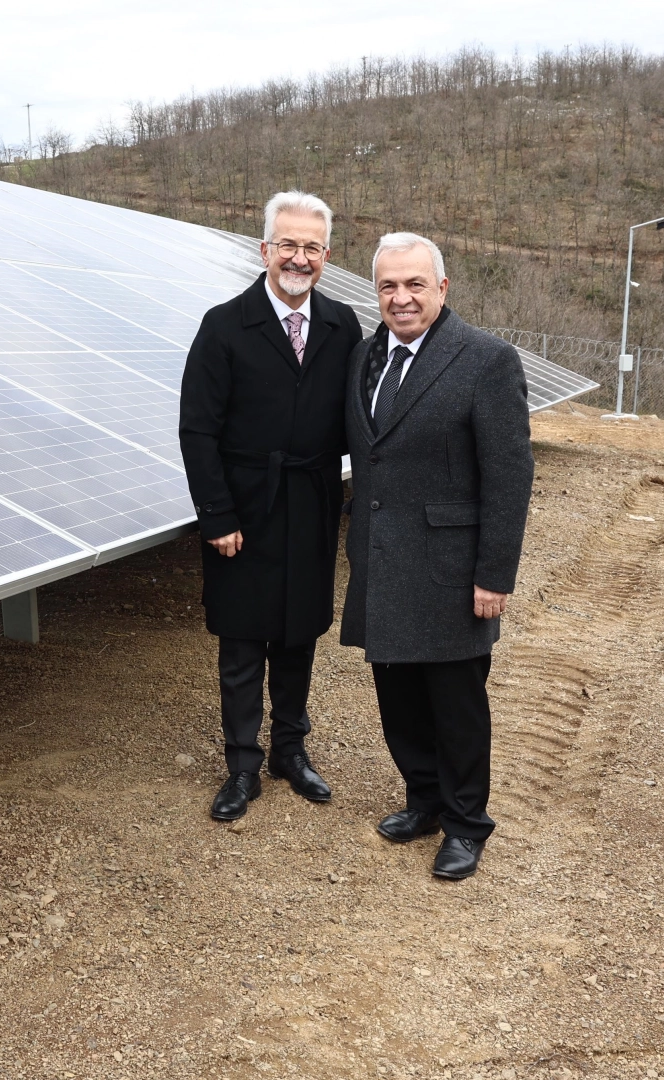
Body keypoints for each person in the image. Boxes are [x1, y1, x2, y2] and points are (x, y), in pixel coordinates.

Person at [340, 232, 534, 879]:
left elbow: (508, 476)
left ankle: (465, 822)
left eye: (414, 284)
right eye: (389, 286)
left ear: (442, 288)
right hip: (382, 564)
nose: (401, 297)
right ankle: (422, 800)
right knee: (397, 699)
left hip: (451, 573)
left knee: (455, 706)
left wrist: (492, 574)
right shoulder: (366, 358)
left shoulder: (486, 360)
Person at [179, 191, 363, 821]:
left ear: (327, 256)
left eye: (312, 247)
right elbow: (197, 430)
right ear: (264, 249)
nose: (299, 257)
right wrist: (217, 515)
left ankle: (290, 751)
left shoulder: (343, 327)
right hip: (245, 510)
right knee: (241, 641)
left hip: (311, 505)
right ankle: (241, 766)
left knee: (297, 635)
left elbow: (354, 423)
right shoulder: (223, 325)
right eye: (288, 244)